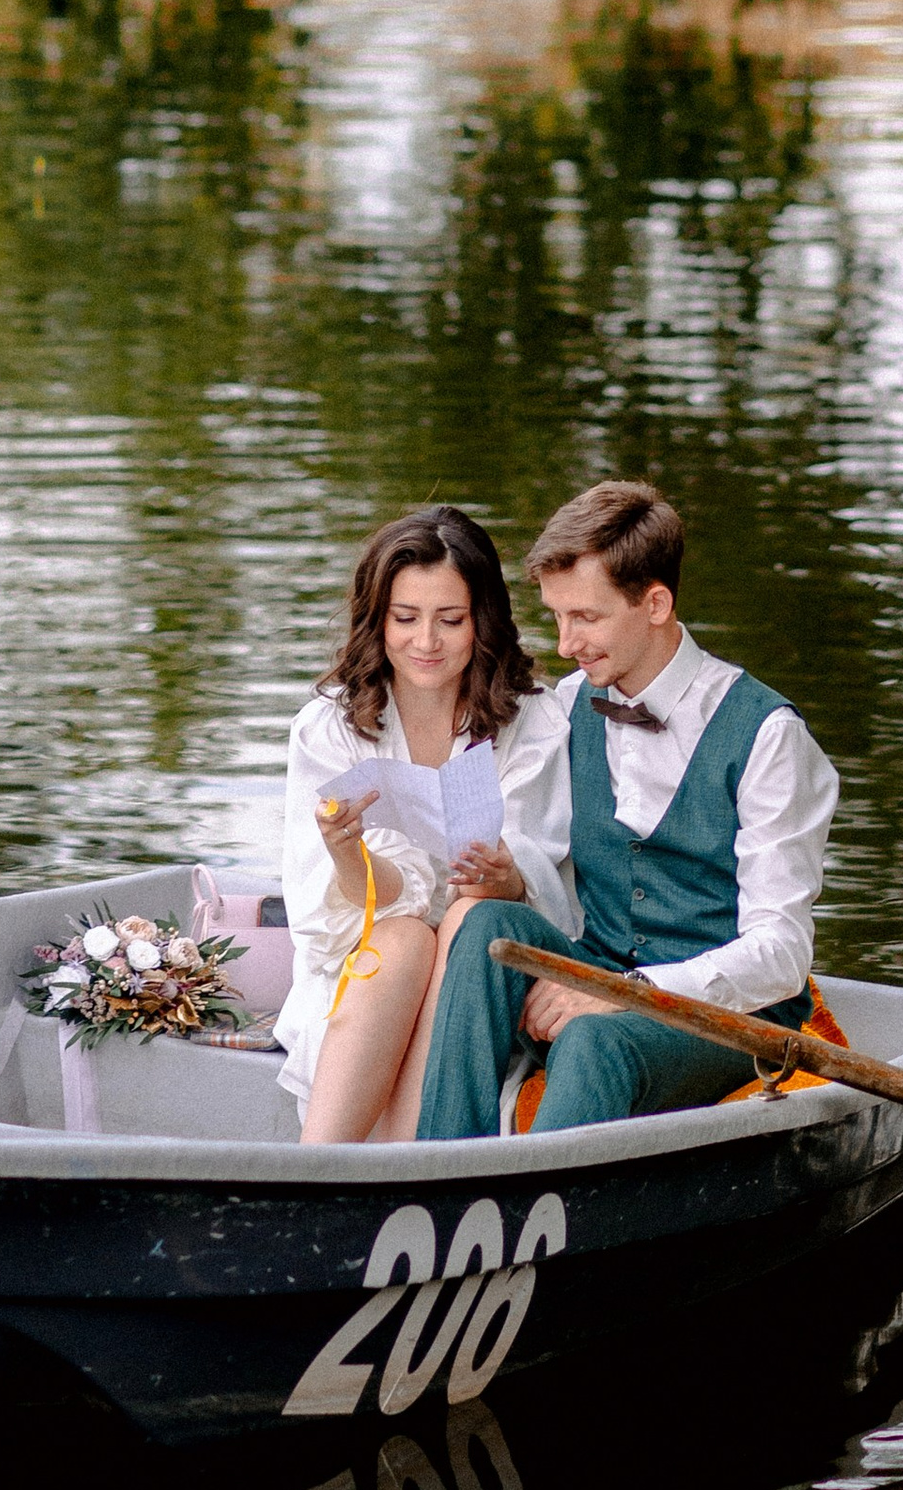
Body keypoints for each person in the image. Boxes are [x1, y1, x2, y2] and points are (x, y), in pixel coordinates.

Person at [414, 477, 837, 1139]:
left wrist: (625, 992)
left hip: (729, 1021)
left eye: (585, 618)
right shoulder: (566, 706)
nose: (565, 644)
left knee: (593, 1039)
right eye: (557, 616)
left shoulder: (769, 737)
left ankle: (536, 1204)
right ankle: (443, 1168)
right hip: (599, 974)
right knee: (488, 927)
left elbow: (781, 955)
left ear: (655, 604)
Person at [277, 505, 574, 1140]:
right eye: (405, 618)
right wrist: (349, 853)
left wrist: (506, 877)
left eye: (451, 620)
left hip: (483, 970)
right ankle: (318, 1165)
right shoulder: (329, 727)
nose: (427, 642)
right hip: (372, 968)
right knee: (404, 939)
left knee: (467, 919)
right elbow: (327, 924)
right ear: (378, 619)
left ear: (483, 619)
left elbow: (550, 882)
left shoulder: (532, 720)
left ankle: (414, 1158)